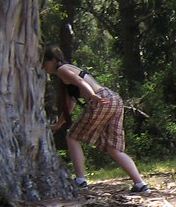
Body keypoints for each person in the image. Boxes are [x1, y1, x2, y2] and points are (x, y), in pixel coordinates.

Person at [41, 46, 149, 194]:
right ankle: (140, 185)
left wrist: (91, 95)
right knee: (113, 148)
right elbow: (70, 102)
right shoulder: (67, 73)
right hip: (114, 99)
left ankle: (80, 181)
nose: (43, 66)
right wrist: (59, 124)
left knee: (72, 137)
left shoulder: (62, 69)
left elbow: (79, 81)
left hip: (101, 99)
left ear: (53, 60)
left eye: (44, 62)